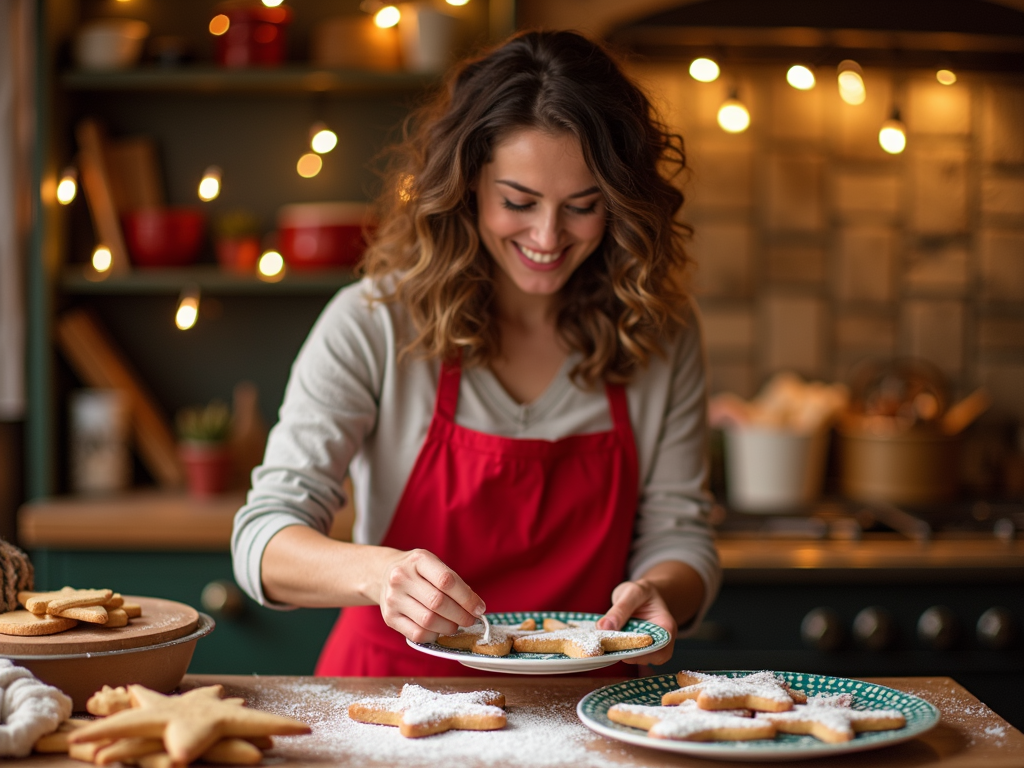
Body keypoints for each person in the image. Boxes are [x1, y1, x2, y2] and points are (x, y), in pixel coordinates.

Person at [231, 29, 720, 677]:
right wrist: (381, 574)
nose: (548, 237)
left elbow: (680, 534)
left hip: (582, 709)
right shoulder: (373, 322)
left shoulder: (660, 332)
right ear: (467, 185)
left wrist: (664, 590)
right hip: (390, 696)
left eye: (583, 206)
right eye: (518, 201)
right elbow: (263, 539)